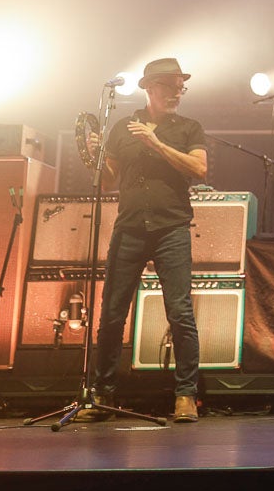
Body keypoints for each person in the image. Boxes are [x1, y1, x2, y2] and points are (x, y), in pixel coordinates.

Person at [81, 57, 208, 423]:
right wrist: (96, 154)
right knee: (111, 314)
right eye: (170, 85)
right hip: (130, 228)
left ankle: (186, 395)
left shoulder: (188, 127)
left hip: (172, 229)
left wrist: (156, 144)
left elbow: (199, 169)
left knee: (180, 312)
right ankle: (102, 394)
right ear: (150, 88)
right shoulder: (123, 127)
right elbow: (107, 180)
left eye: (180, 86)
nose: (177, 92)